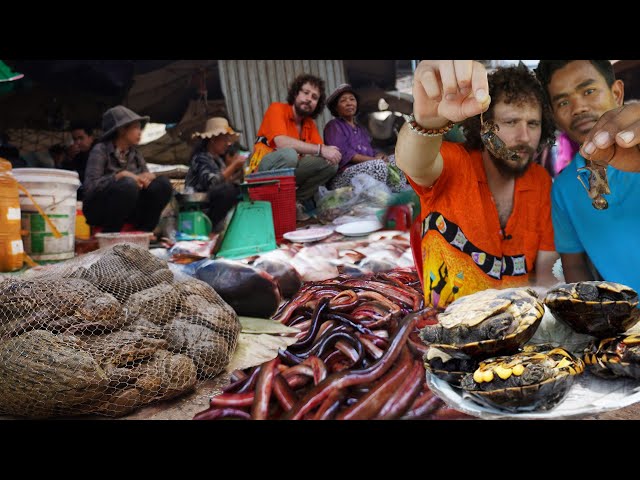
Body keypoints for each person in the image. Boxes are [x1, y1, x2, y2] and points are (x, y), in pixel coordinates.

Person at [395, 61, 558, 308]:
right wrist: (427, 122)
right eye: (512, 122)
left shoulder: (541, 181)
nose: (524, 137)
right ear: (485, 127)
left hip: (518, 328)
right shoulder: (454, 163)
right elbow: (414, 163)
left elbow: (546, 272)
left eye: (533, 124)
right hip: (446, 330)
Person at [535, 60, 640, 292]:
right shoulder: (563, 189)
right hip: (627, 324)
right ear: (554, 116)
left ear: (617, 92)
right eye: (563, 101)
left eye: (589, 91)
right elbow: (573, 264)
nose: (578, 107)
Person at [249, 73, 341, 220]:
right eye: (305, 93)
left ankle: (295, 201)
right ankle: (274, 202)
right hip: (263, 171)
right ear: (296, 93)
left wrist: (330, 154)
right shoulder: (277, 109)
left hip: (289, 172)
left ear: (317, 104)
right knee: (290, 154)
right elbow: (281, 143)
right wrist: (321, 149)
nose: (309, 99)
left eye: (314, 97)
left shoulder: (309, 124)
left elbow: (323, 153)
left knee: (330, 164)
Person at [83, 105, 173, 233]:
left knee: (162, 184)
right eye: (136, 127)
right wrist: (118, 176)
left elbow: (146, 181)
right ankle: (110, 234)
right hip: (101, 211)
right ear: (121, 130)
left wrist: (148, 177)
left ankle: (144, 232)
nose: (139, 132)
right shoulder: (100, 150)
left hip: (130, 211)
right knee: (127, 185)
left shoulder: (135, 154)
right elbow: (90, 188)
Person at [323, 83, 409, 192]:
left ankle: (397, 194)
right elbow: (344, 154)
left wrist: (379, 155)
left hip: (368, 167)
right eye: (343, 100)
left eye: (352, 99)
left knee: (396, 160)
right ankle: (379, 197)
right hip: (343, 176)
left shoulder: (360, 129)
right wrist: (374, 160)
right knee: (379, 165)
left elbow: (370, 150)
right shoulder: (333, 126)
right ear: (336, 108)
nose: (349, 103)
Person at [185, 117, 245, 230]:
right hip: (201, 205)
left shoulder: (218, 160)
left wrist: (240, 173)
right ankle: (211, 228)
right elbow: (212, 183)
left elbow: (225, 180)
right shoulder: (200, 158)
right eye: (224, 140)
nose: (227, 144)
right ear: (213, 140)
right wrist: (233, 166)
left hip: (213, 201)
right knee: (228, 191)